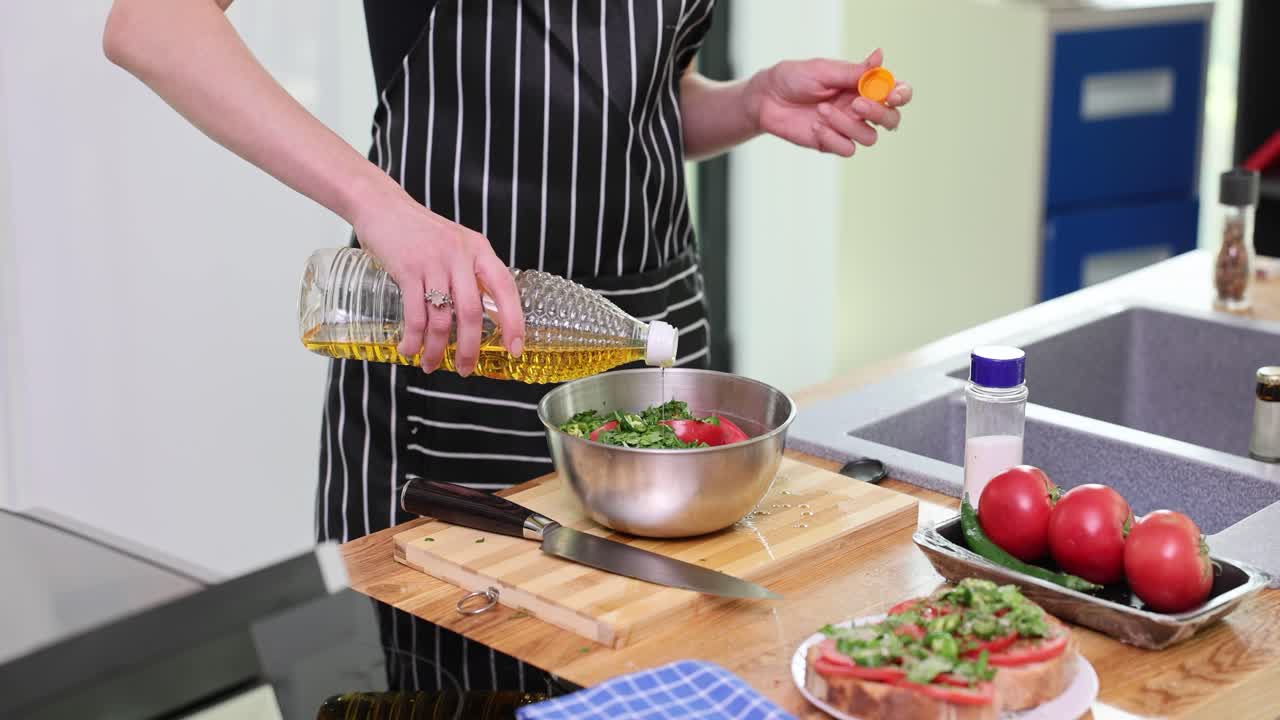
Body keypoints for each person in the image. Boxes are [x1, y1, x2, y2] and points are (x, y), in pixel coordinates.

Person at [103, 0, 912, 695]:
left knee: (665, 675)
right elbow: (152, 23)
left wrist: (749, 102)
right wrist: (377, 202)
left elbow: (636, 101)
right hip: (449, 371)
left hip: (656, 369)